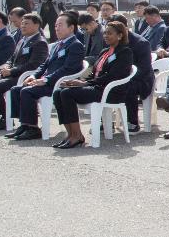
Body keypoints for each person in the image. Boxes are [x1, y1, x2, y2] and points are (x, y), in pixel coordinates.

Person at [49, 20, 134, 149]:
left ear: (120, 36)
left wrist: (85, 83)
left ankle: (77, 136)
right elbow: (95, 74)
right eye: (105, 33)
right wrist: (79, 82)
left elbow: (113, 76)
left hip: (110, 91)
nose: (105, 36)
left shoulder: (124, 52)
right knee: (58, 92)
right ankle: (70, 134)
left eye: (109, 33)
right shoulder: (105, 52)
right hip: (96, 87)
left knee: (67, 94)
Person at [4, 12, 87, 141]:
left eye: (60, 25)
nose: (57, 28)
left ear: (71, 28)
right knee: (16, 89)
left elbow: (67, 69)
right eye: (55, 26)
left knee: (27, 92)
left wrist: (46, 80)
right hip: (47, 80)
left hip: (58, 83)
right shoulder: (57, 45)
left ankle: (33, 128)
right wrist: (33, 75)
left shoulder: (75, 45)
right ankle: (24, 124)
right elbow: (44, 65)